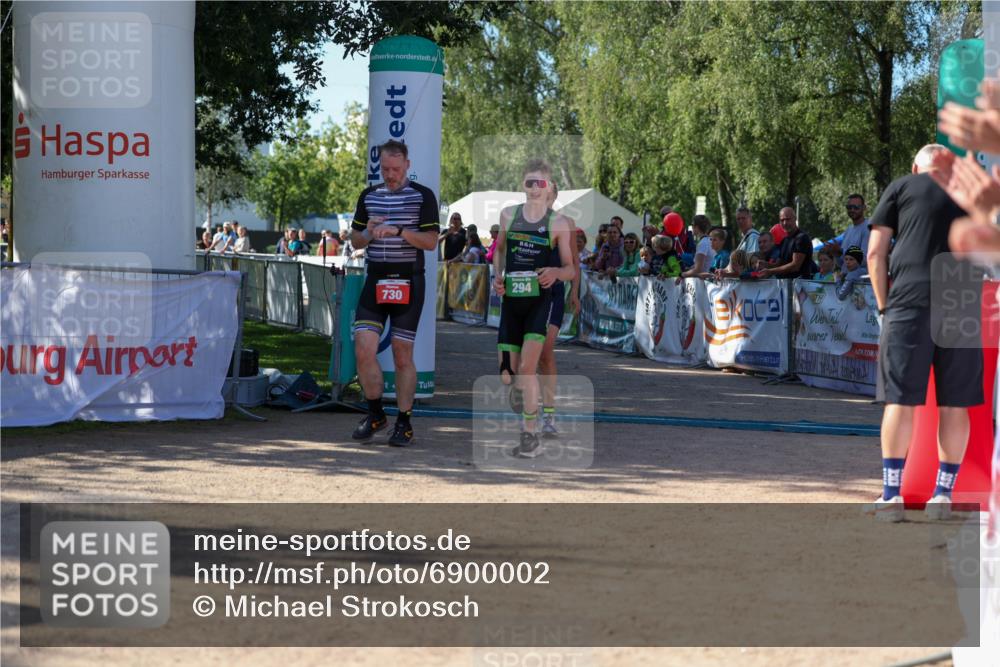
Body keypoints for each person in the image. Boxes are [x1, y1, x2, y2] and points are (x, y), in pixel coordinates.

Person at [866, 144, 983, 522]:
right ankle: (943, 496)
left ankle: (891, 496)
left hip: (910, 300)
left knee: (900, 400)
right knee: (954, 404)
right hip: (962, 302)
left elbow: (875, 253)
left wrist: (883, 307)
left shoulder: (901, 187)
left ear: (917, 168)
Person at [349, 139, 440, 447]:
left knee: (402, 355)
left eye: (396, 169)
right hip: (375, 279)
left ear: (407, 166)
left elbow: (431, 242)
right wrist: (368, 232)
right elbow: (355, 241)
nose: (390, 175)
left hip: (408, 281)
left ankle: (404, 421)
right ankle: (375, 414)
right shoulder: (369, 195)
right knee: (363, 349)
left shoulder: (422, 196)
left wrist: (399, 231)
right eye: (385, 169)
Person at [493, 159, 575, 458]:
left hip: (539, 304)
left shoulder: (558, 223)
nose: (535, 188)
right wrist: (497, 275)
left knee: (529, 368)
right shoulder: (508, 215)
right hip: (511, 304)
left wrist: (556, 273)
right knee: (508, 374)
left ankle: (531, 436)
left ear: (549, 186)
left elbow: (570, 268)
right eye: (530, 182)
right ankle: (521, 392)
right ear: (523, 185)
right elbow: (499, 251)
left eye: (540, 183)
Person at [538, 182, 582, 438]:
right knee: (527, 356)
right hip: (527, 294)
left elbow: (574, 262)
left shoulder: (566, 223)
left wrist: (574, 292)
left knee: (545, 353)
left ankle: (549, 414)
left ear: (554, 196)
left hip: (554, 293)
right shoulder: (524, 222)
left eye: (549, 193)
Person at [759, 208, 814, 279]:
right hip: (786, 284)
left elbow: (795, 266)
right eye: (782, 220)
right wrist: (766, 264)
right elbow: (779, 264)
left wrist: (770, 271)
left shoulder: (801, 238)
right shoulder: (784, 240)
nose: (785, 223)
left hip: (800, 284)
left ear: (795, 219)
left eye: (788, 219)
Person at [826, 194, 871, 269]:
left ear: (864, 208)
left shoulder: (868, 228)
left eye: (856, 207)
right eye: (849, 207)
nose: (852, 210)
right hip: (846, 276)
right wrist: (836, 253)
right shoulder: (848, 230)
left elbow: (865, 259)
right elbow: (842, 264)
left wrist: (841, 251)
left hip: (860, 276)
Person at [679, 215, 715, 279]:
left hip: (704, 280)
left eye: (692, 225)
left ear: (697, 227)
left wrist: (682, 275)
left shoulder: (703, 243)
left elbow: (698, 269)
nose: (692, 227)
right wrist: (688, 269)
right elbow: (701, 265)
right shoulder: (708, 240)